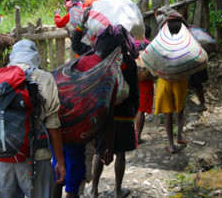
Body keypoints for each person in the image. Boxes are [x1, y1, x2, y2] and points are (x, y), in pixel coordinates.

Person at [0, 40, 66, 198]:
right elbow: (53, 125)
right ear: (35, 58)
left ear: (12, 57)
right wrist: (60, 162)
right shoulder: (44, 79)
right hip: (36, 158)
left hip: (2, 160)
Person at [55, 26, 122, 198]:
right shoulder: (108, 76)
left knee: (57, 173)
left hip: (59, 129)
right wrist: (110, 147)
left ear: (96, 44)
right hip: (81, 136)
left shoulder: (78, 62)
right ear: (114, 53)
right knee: (75, 182)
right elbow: (108, 117)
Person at [89, 25, 139, 198]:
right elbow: (134, 91)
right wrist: (134, 110)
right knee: (120, 153)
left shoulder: (102, 61)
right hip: (125, 114)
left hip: (105, 114)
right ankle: (118, 190)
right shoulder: (129, 62)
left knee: (100, 151)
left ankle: (94, 190)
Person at [154, 12, 189, 154]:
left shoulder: (162, 42)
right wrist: (181, 19)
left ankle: (171, 145)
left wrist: (165, 20)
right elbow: (189, 29)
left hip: (165, 80)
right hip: (180, 79)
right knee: (180, 108)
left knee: (168, 112)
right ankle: (180, 135)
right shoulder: (185, 41)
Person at [134, 23, 154, 144]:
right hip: (145, 81)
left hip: (131, 79)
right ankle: (137, 137)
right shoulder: (151, 46)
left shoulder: (131, 44)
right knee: (141, 109)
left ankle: (128, 136)